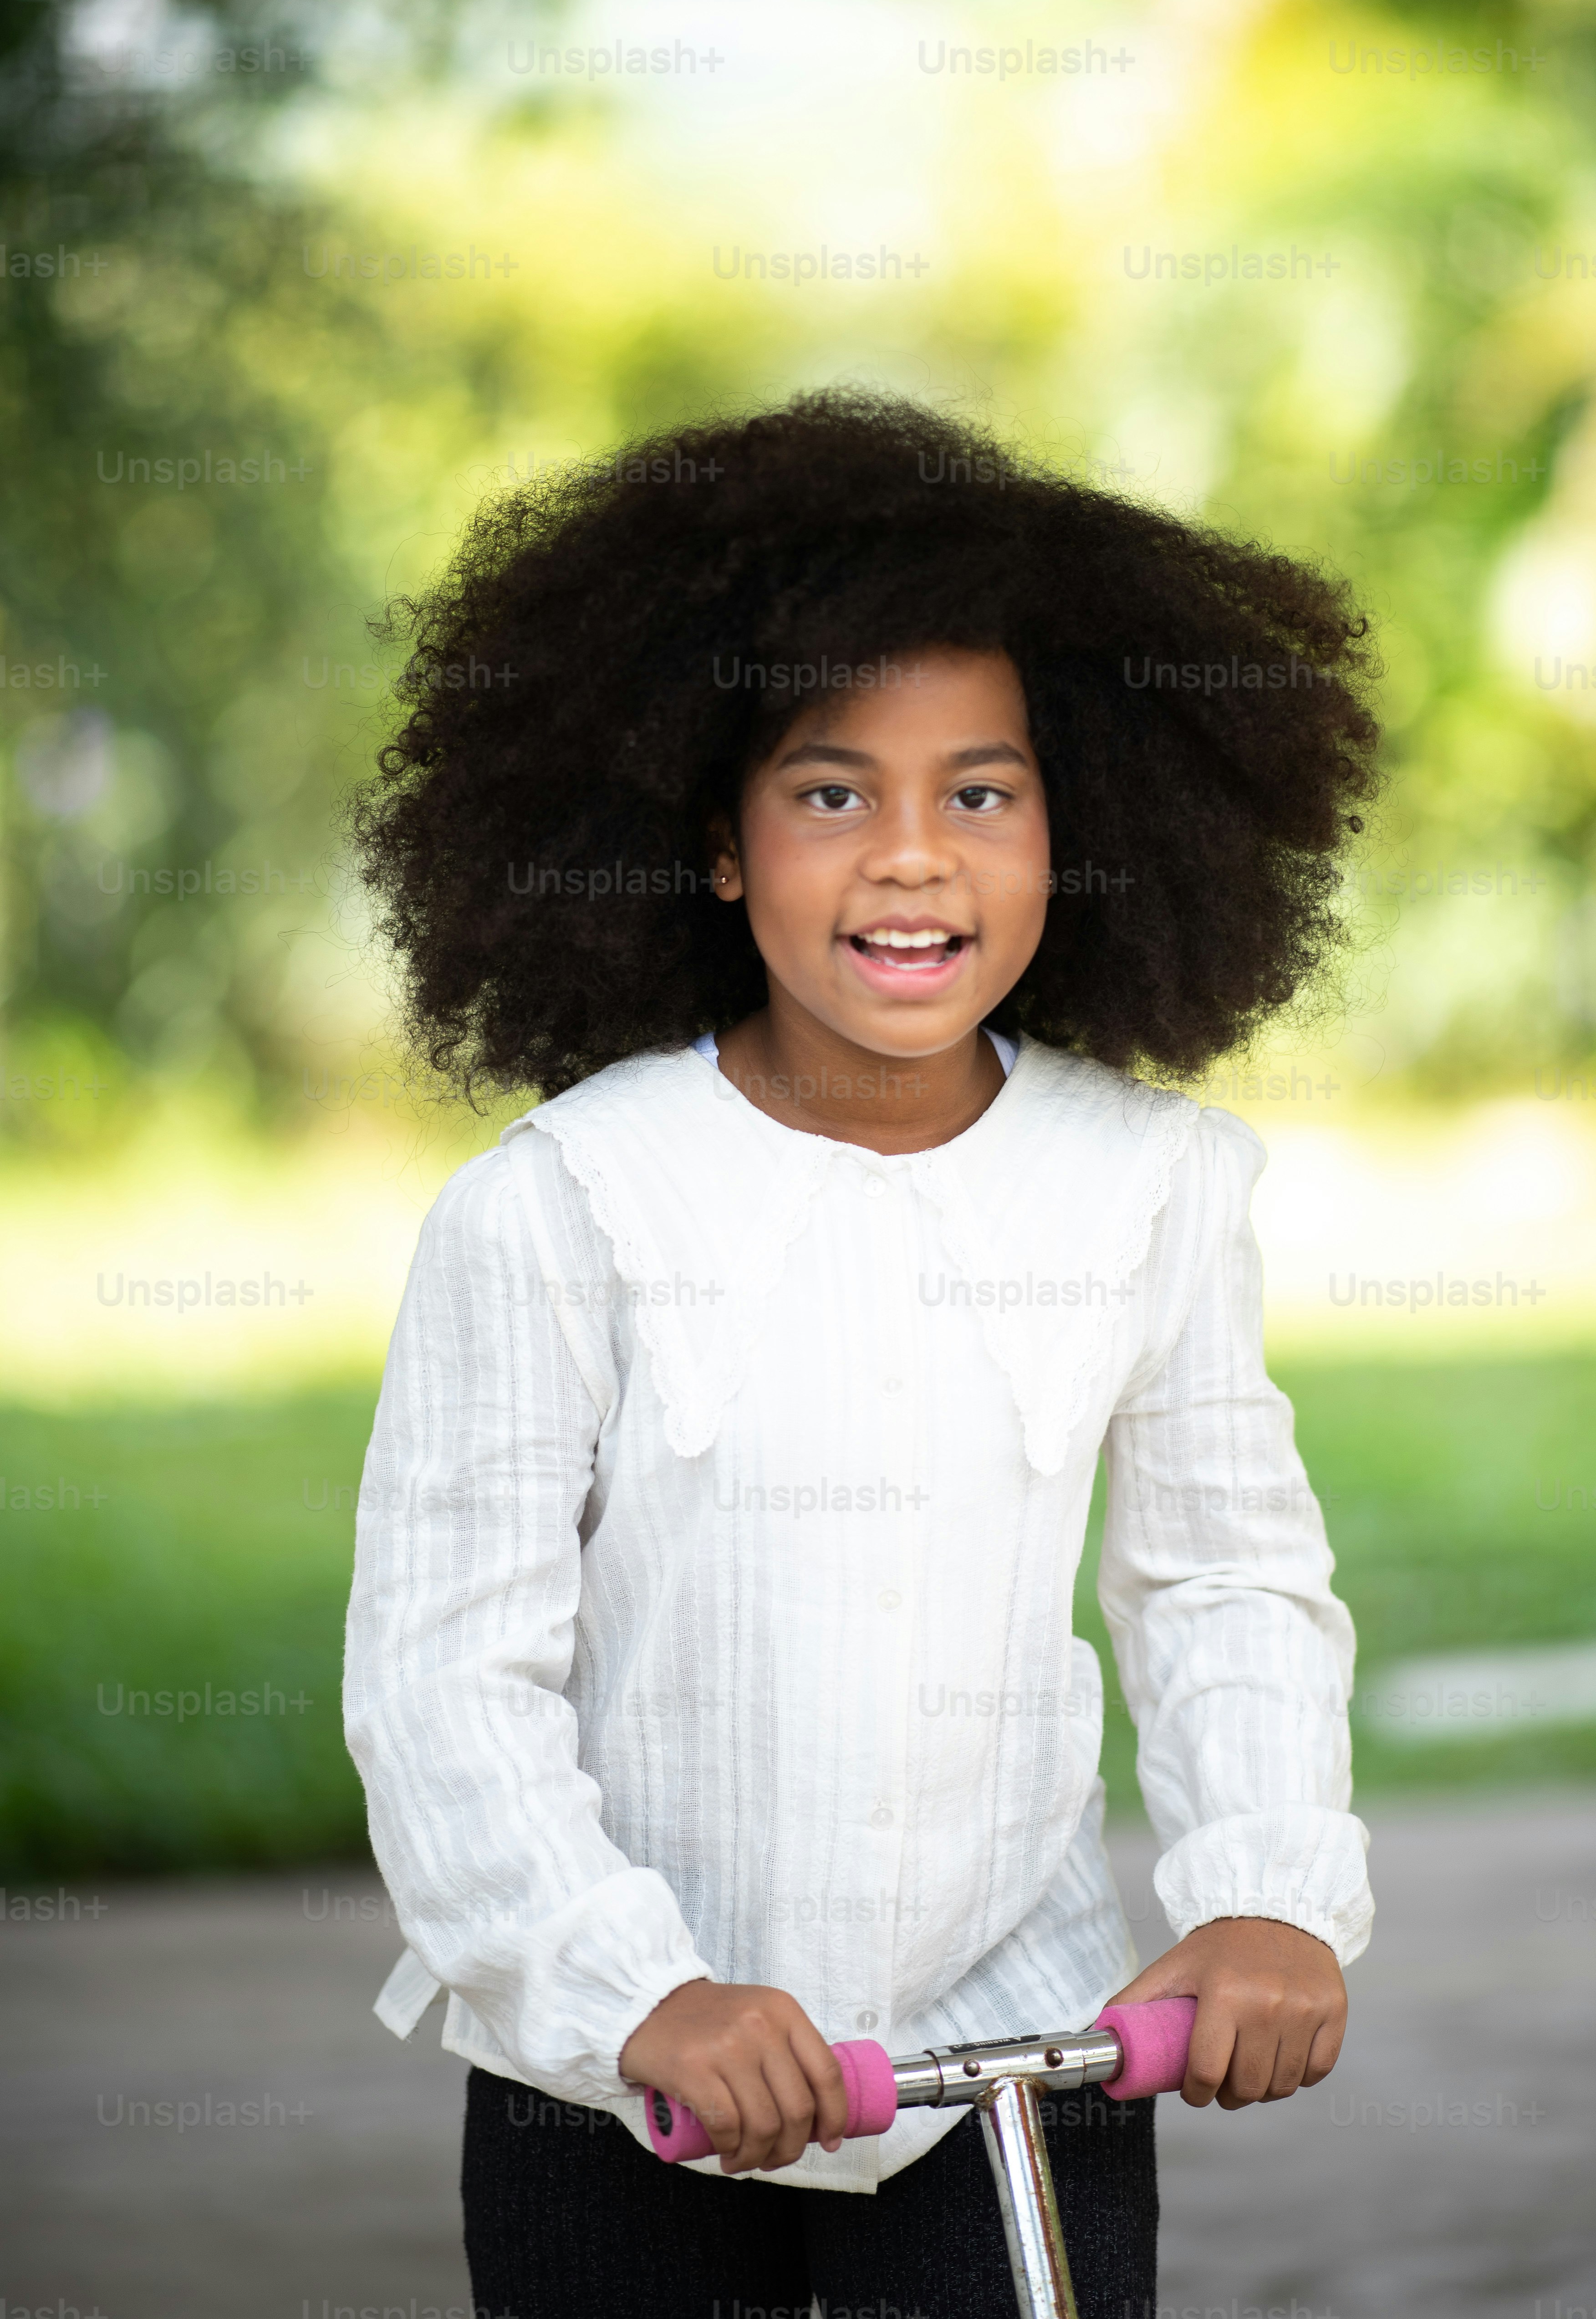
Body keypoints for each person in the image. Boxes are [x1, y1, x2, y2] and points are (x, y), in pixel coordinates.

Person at [343, 390, 1379, 2319]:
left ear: (1081, 831)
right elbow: (445, 1670)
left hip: (1012, 2048)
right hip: (623, 2080)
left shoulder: (1147, 1185)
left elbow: (1220, 1574)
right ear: (714, 844)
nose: (911, 857)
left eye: (977, 794)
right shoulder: (566, 1201)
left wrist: (1266, 1888)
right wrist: (624, 1979)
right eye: (831, 793)